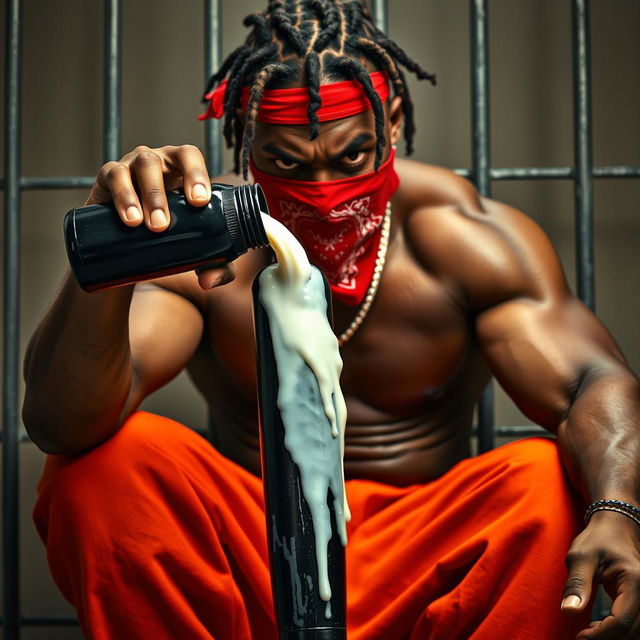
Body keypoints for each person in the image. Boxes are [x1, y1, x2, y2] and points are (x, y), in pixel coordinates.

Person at [22, 2, 640, 639]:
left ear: (391, 123)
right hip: (257, 551)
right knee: (103, 465)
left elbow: (589, 384)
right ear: (245, 137)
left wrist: (620, 509)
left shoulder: (460, 239)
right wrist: (108, 251)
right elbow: (62, 422)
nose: (324, 191)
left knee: (545, 479)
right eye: (287, 163)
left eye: (351, 159)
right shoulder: (206, 244)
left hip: (423, 557)